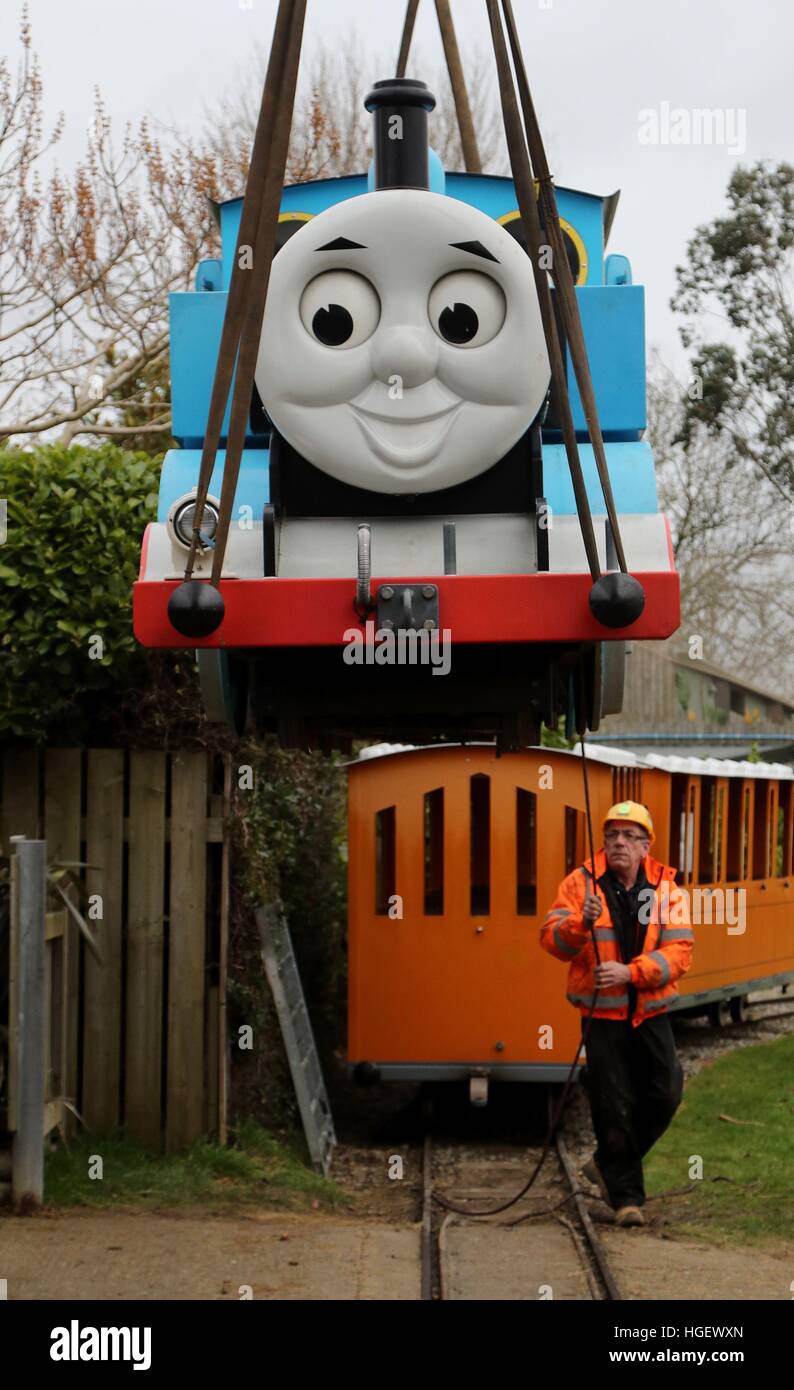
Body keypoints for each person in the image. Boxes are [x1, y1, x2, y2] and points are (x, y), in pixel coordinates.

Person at [541, 800, 693, 1227]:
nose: (619, 843)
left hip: (651, 1012)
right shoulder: (579, 886)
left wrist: (631, 972)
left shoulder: (666, 891)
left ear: (647, 846)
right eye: (612, 836)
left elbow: (680, 954)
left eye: (629, 836)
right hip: (601, 1017)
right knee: (613, 1103)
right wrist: (578, 925)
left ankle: (607, 1161)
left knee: (666, 1093)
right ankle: (627, 1199)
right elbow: (552, 943)